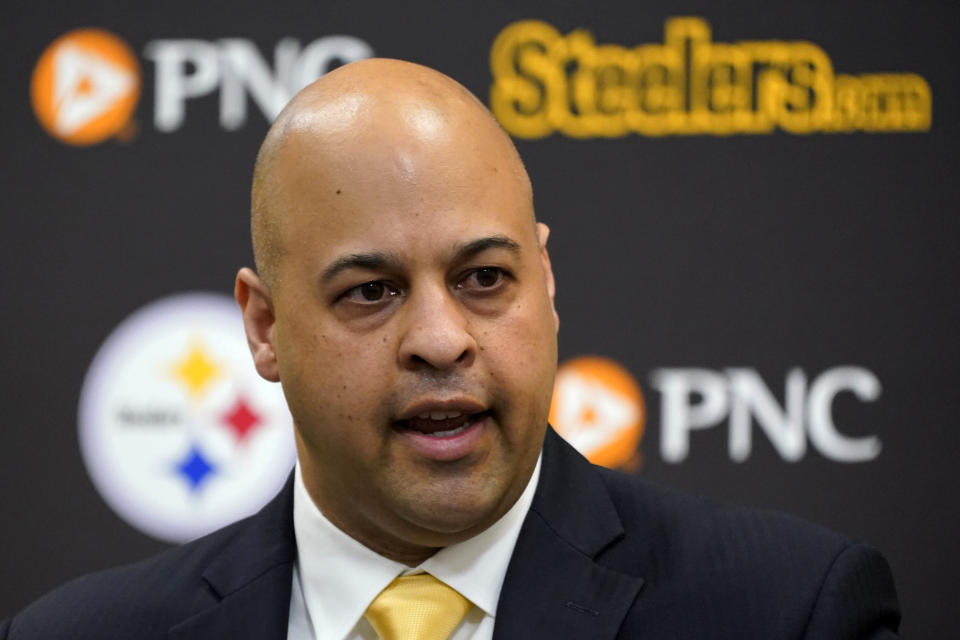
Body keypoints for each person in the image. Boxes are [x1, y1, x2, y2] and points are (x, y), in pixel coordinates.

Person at [1, 59, 900, 639]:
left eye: (483, 279)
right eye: (371, 292)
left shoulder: (788, 610)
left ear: (545, 281)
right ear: (266, 327)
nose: (439, 341)